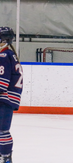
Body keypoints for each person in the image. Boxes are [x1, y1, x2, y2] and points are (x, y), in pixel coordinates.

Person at [0, 27, 23, 163]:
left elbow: (2, 82)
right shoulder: (10, 54)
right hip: (8, 99)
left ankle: (6, 157)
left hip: (5, 99)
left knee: (2, 130)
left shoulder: (3, 56)